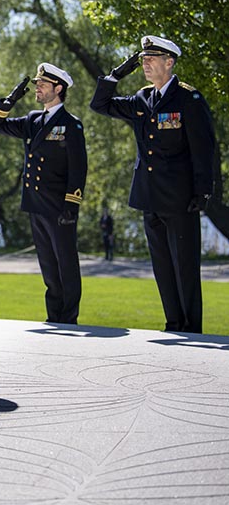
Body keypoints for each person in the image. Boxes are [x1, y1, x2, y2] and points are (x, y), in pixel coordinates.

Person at [90, 35, 216, 333]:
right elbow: (100, 105)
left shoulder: (188, 99)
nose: (145, 63)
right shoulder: (142, 98)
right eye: (143, 59)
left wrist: (203, 190)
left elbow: (204, 147)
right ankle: (173, 324)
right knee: (161, 266)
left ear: (169, 62)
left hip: (180, 197)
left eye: (151, 59)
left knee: (185, 267)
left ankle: (191, 328)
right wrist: (116, 75)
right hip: (149, 196)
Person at [0, 63, 87, 324]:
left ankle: (69, 316)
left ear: (58, 88)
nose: (37, 89)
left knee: (65, 262)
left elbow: (78, 169)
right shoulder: (33, 120)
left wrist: (71, 205)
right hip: (35, 203)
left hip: (59, 206)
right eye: (36, 84)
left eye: (42, 84)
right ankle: (54, 315)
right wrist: (10, 100)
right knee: (48, 264)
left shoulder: (70, 125)